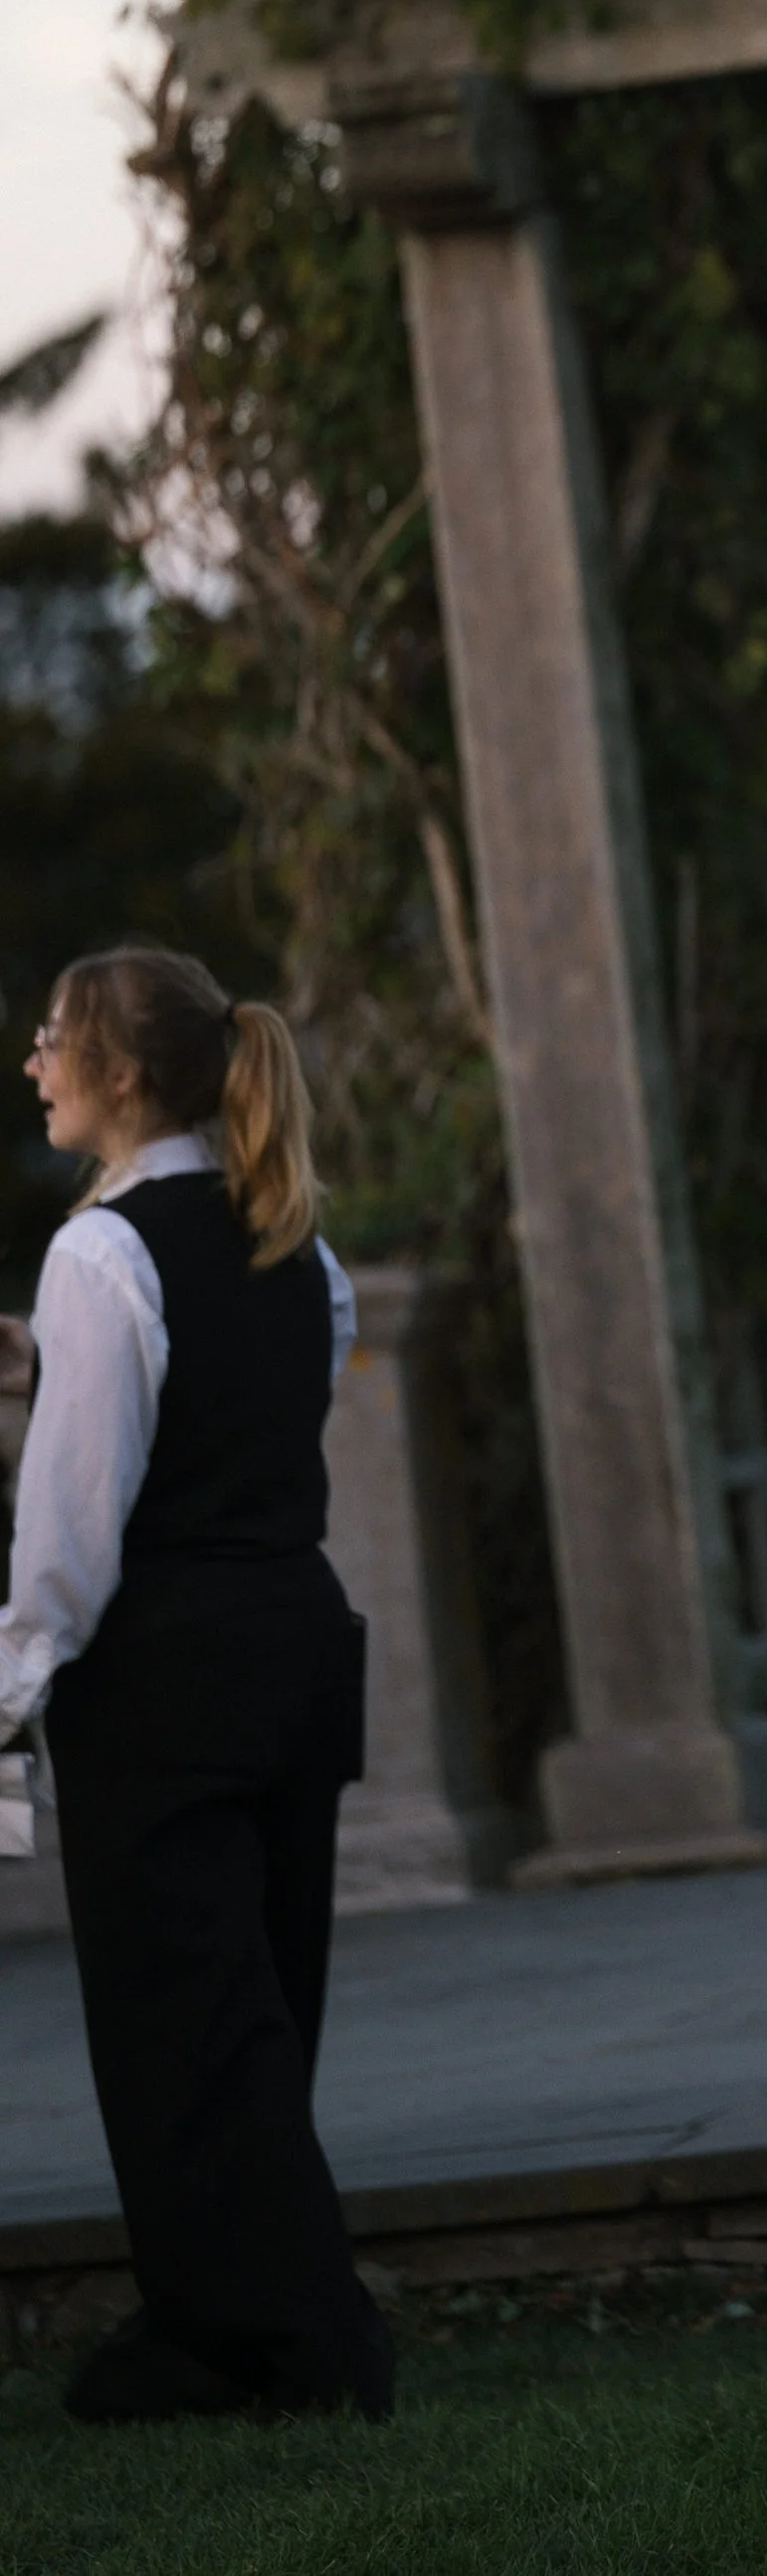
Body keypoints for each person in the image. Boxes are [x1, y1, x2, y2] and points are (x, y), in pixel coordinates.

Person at [0, 949, 391, 2420]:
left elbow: (74, 1532)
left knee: (183, 2029)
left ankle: (294, 2346)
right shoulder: (296, 1236)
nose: (31, 1062)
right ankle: (232, 2334)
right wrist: (44, 1373)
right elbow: (240, 1421)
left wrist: (9, 1682)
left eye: (49, 1039)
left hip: (161, 1684)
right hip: (290, 1653)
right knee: (258, 2013)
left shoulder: (101, 1252)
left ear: (113, 1071)